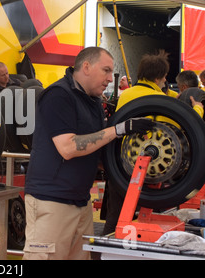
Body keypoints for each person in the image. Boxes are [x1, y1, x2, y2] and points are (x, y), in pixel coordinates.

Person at [22, 47, 155, 260]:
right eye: (106, 71)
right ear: (86, 67)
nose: (110, 79)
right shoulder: (58, 95)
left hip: (80, 202)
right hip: (52, 201)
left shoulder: (93, 101)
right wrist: (118, 129)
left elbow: (98, 147)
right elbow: (68, 147)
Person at [101, 50, 203, 235]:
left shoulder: (126, 95)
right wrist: (197, 109)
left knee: (115, 219)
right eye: (164, 77)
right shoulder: (162, 102)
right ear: (158, 78)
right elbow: (185, 128)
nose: (165, 81)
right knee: (151, 219)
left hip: (122, 169)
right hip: (150, 173)